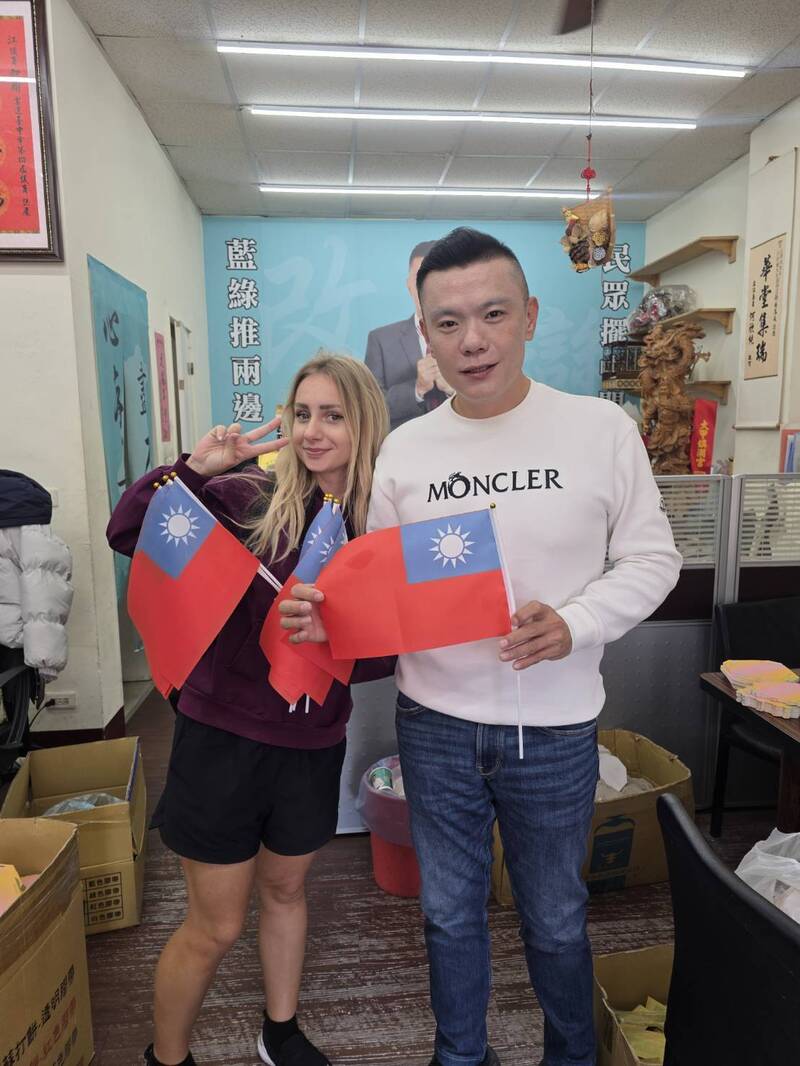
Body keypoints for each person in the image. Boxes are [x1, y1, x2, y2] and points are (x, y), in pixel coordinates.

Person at [281, 230, 682, 1066]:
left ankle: (570, 1055)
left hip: (557, 728)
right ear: (423, 335)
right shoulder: (408, 448)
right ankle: (460, 1054)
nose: (472, 340)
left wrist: (577, 621)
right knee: (448, 915)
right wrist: (330, 621)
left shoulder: (599, 429)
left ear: (528, 317)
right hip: (436, 725)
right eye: (448, 323)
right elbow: (385, 591)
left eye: (493, 315)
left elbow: (654, 559)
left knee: (556, 918)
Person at [106, 353, 391, 1066]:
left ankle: (280, 1032)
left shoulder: (380, 527)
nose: (313, 431)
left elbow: (390, 650)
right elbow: (129, 532)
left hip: (312, 741)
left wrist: (337, 634)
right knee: (216, 925)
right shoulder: (244, 497)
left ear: (364, 424)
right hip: (223, 739)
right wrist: (191, 469)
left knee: (288, 890)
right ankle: (166, 1058)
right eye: (303, 414)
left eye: (333, 416)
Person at [365, 239, 454, 429]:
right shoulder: (381, 341)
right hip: (401, 444)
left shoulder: (471, 337)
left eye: (434, 278)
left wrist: (454, 390)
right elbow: (368, 409)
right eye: (418, 278)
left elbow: (491, 401)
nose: (425, 287)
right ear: (408, 285)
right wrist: (416, 388)